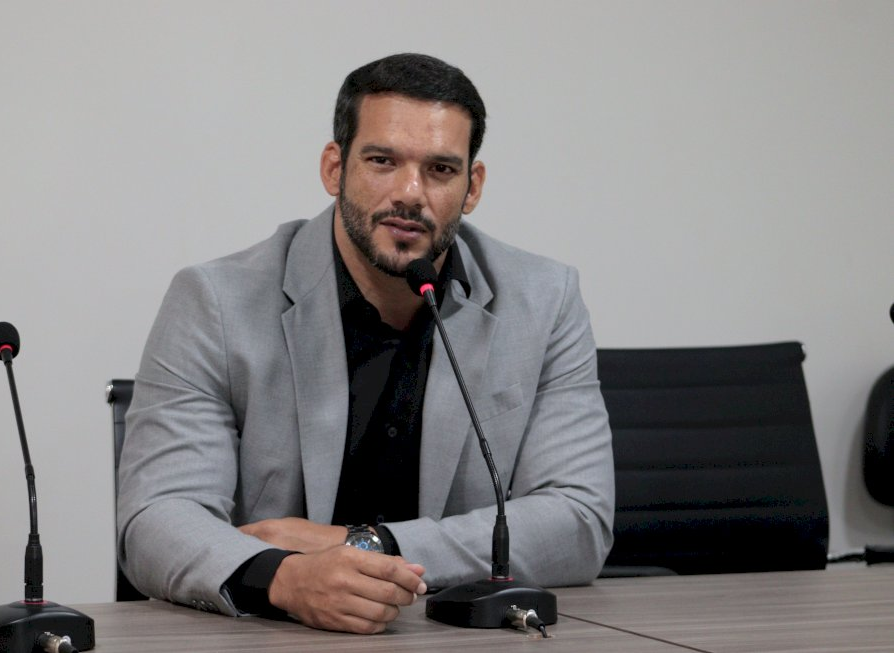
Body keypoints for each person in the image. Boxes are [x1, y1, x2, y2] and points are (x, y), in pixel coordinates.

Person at [117, 52, 614, 635]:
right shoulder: (216, 302)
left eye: (440, 169)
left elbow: (579, 521)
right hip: (272, 636)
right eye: (382, 161)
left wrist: (368, 544)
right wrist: (285, 579)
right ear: (335, 169)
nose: (410, 193)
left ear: (472, 187)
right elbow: (156, 517)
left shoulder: (544, 301)